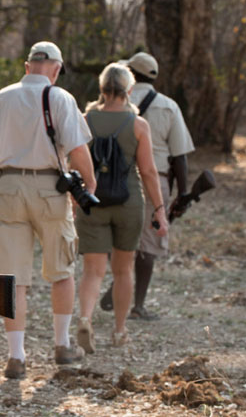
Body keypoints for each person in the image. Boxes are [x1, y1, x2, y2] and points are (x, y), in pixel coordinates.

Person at [0, 41, 95, 378]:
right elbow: (79, 153)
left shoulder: (0, 98)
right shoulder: (62, 98)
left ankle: (17, 357)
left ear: (27, 67)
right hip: (51, 189)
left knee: (13, 278)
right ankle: (62, 345)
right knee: (61, 269)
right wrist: (88, 190)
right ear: (55, 69)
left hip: (8, 188)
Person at [75, 63, 169, 354]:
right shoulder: (139, 125)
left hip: (92, 202)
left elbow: (74, 163)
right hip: (128, 203)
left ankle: (85, 319)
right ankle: (119, 331)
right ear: (129, 90)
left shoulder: (84, 120)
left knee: (92, 271)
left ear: (102, 89)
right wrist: (160, 209)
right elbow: (149, 172)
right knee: (124, 269)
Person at [99, 52, 195, 320]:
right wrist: (183, 193)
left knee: (116, 236)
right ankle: (137, 304)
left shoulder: (112, 102)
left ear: (129, 72)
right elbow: (179, 156)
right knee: (149, 245)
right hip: (157, 178)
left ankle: (120, 282)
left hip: (113, 179)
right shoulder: (169, 106)